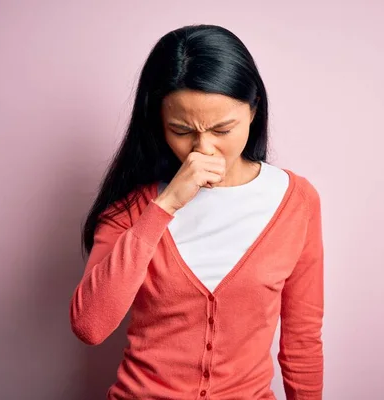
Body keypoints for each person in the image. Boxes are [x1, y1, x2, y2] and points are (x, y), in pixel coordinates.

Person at [69, 24, 324, 399]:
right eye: (181, 129)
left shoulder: (297, 201)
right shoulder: (132, 207)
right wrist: (166, 205)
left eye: (223, 129)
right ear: (158, 124)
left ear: (253, 111)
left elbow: (302, 339)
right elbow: (90, 326)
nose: (203, 149)